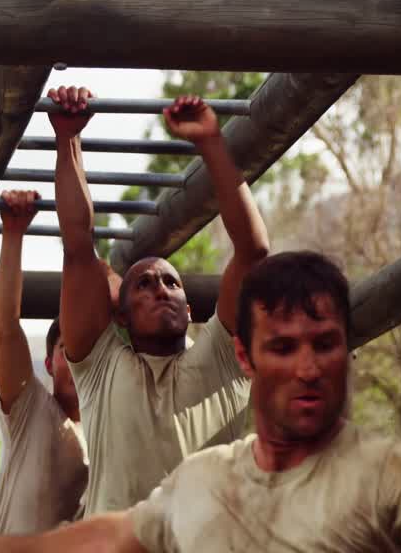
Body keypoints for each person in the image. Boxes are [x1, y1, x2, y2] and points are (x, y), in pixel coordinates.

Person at [0, 251, 401, 553]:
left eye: (325, 344)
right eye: (283, 347)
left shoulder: (391, 471)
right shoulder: (205, 475)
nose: (307, 366)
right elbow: (114, 530)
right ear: (250, 361)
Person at [44, 87, 271, 516]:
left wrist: (210, 142)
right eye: (144, 285)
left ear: (189, 311)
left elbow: (253, 252)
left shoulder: (222, 358)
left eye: (171, 282)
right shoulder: (100, 367)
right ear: (122, 318)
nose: (161, 289)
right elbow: (78, 246)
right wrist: (67, 140)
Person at [0, 189, 88, 534]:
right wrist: (13, 234)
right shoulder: (31, 408)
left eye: (84, 348)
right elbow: (5, 327)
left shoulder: (107, 426)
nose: (76, 357)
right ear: (48, 363)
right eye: (65, 349)